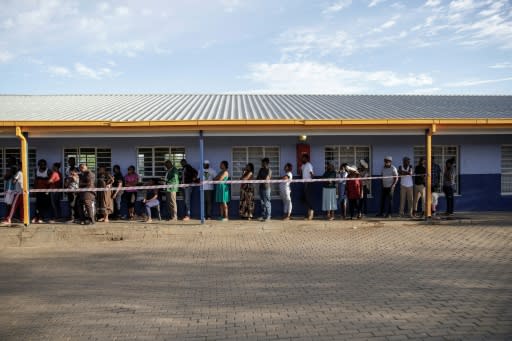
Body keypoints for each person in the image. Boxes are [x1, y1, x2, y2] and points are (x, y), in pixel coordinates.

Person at [32, 159, 51, 224]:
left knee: (43, 205)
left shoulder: (48, 171)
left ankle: (41, 217)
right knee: (37, 204)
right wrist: (34, 190)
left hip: (45, 191)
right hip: (38, 191)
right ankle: (36, 217)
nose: (43, 165)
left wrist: (48, 191)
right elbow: (35, 181)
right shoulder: (36, 170)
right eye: (41, 164)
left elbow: (50, 182)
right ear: (39, 165)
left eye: (44, 164)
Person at [301, 154, 315, 220]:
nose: (302, 159)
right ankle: (308, 214)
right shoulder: (303, 165)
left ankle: (311, 214)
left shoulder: (309, 165)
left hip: (308, 183)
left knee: (308, 198)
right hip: (304, 183)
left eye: (303, 158)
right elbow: (302, 173)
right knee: (306, 199)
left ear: (306, 159)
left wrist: (311, 182)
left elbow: (312, 174)